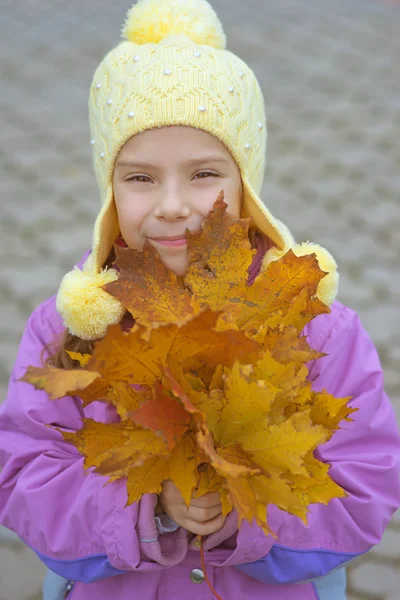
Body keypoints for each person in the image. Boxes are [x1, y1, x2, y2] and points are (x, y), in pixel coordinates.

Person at [1, 1, 399, 599]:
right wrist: (149, 509)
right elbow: (25, 476)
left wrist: (249, 514)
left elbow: (364, 484)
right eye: (139, 178)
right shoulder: (70, 332)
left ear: (247, 188)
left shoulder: (319, 330)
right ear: (109, 192)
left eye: (204, 174)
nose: (172, 204)